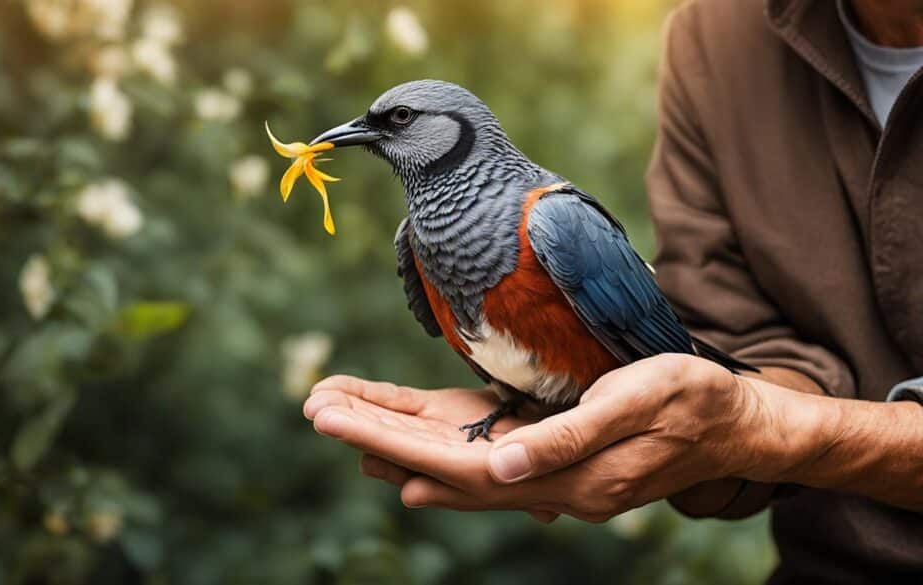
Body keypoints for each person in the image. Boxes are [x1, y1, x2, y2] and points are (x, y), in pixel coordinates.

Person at [302, 0, 923, 582]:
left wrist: (747, 417)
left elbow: (668, 357)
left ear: (457, 134)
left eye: (401, 122)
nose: (371, 131)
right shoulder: (714, 34)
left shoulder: (551, 220)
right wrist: (712, 428)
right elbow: (754, 344)